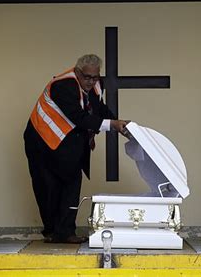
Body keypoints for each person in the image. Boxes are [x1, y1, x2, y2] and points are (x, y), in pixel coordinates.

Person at [23, 54, 128, 244]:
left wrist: (120, 125)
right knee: (47, 187)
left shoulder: (96, 84)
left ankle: (65, 232)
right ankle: (53, 231)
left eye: (95, 77)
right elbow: (78, 117)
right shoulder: (62, 85)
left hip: (67, 142)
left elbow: (98, 108)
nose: (90, 82)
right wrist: (112, 124)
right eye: (87, 77)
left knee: (71, 183)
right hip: (41, 142)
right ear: (77, 72)